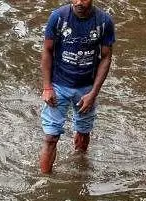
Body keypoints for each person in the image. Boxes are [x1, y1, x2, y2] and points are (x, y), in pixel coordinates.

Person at [39, 0, 115, 173]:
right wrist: (47, 87)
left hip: (86, 87)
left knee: (83, 133)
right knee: (50, 137)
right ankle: (44, 182)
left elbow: (106, 58)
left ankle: (79, 172)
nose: (79, 3)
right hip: (58, 85)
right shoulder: (58, 17)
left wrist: (93, 93)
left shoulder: (104, 21)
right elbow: (47, 51)